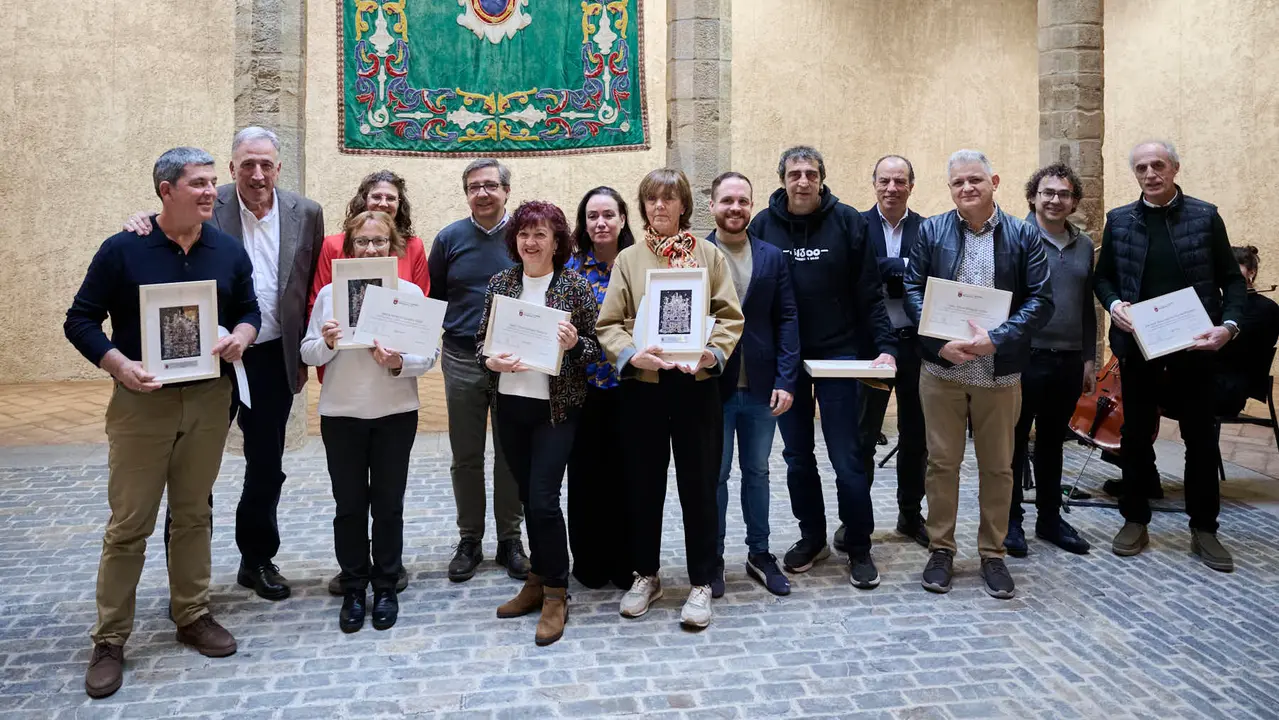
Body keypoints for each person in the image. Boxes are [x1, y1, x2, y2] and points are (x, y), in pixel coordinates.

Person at [66, 147, 261, 698]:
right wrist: (117, 363)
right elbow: (79, 319)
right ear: (165, 189)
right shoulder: (123, 250)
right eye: (198, 183)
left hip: (207, 401)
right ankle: (109, 639)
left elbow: (250, 310)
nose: (210, 193)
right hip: (141, 404)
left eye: (212, 184)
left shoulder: (227, 250)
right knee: (130, 524)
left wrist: (241, 337)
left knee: (195, 513)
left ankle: (192, 614)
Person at [125, 126, 325, 601]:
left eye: (266, 165)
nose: (257, 174)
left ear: (279, 167)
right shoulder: (207, 204)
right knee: (195, 467)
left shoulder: (307, 213)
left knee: (266, 465)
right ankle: (188, 574)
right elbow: (165, 223)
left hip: (273, 357)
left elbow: (309, 282)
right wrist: (140, 221)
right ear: (232, 168)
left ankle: (257, 561)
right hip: (209, 361)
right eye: (247, 165)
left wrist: (300, 353)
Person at [597, 168, 744, 629]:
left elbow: (729, 315)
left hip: (697, 388)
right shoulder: (629, 259)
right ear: (642, 208)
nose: (659, 207)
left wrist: (711, 353)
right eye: (651, 200)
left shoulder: (708, 256)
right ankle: (646, 574)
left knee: (699, 485)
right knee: (643, 485)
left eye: (668, 199)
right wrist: (633, 354)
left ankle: (701, 580)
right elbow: (609, 324)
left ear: (684, 206)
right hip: (644, 388)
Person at [904, 149, 1053, 600]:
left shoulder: (1024, 235)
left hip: (999, 370)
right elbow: (911, 289)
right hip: (942, 368)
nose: (967, 188)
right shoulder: (931, 230)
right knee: (942, 463)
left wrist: (999, 338)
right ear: (949, 189)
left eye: (975, 180)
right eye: (958, 183)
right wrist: (936, 342)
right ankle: (941, 549)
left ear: (995, 182)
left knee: (999, 466)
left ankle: (993, 553)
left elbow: (1042, 300)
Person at [747, 146, 897, 589]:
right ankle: (812, 536)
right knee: (797, 457)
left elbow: (870, 293)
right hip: (785, 361)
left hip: (840, 355)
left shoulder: (849, 221)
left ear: (822, 178)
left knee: (847, 457)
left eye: (811, 173)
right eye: (794, 173)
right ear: (783, 180)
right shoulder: (763, 226)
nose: (803, 181)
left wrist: (885, 346)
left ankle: (859, 543)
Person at [1094, 140, 1247, 572]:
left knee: (1200, 439)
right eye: (1141, 167)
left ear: (1175, 168)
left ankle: (1204, 529)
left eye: (1158, 165)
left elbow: (1233, 282)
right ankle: (1135, 519)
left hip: (1195, 349)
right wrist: (1114, 305)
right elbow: (1102, 279)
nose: (1150, 173)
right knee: (1136, 437)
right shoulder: (1120, 220)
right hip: (1138, 347)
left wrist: (1228, 327)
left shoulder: (1204, 216)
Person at [301, 211, 436, 633]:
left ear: (393, 248)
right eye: (363, 242)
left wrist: (398, 362)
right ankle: (355, 586)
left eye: (379, 242)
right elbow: (307, 353)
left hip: (395, 414)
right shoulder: (329, 295)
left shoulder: (409, 291)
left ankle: (387, 585)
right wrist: (325, 342)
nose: (371, 249)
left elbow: (428, 357)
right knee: (350, 506)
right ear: (350, 247)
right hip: (342, 414)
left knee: (389, 506)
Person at [477, 201, 600, 646]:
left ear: (556, 241)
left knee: (544, 500)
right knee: (529, 499)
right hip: (510, 408)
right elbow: (479, 344)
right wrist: (490, 358)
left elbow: (596, 348)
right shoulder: (501, 284)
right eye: (524, 234)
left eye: (541, 234)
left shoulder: (574, 286)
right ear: (515, 240)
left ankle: (555, 593)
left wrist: (574, 344)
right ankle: (536, 578)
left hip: (556, 411)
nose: (531, 242)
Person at [428, 158, 529, 582]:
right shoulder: (449, 238)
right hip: (463, 358)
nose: (483, 193)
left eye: (490, 185)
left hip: (514, 361)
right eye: (474, 186)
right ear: (466, 193)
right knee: (466, 455)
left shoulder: (525, 236)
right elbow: (434, 298)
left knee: (510, 454)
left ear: (506, 191)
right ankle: (470, 538)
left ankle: (510, 539)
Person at [706, 171, 799, 598]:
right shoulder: (697, 254)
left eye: (743, 201)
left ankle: (759, 553)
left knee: (758, 472)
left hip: (762, 388)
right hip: (713, 387)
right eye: (727, 201)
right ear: (712, 205)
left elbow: (787, 319)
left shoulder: (772, 256)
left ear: (751, 206)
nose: (736, 208)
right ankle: (714, 558)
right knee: (717, 475)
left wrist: (786, 379)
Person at [1005, 163, 1098, 558]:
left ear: (1074, 201)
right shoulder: (1014, 239)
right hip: (1024, 357)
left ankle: (1049, 518)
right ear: (1033, 196)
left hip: (1068, 359)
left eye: (1063, 194)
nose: (1055, 200)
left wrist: (1090, 358)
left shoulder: (1084, 246)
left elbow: (1088, 308)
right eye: (1048, 192)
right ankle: (1009, 521)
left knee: (1051, 444)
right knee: (1011, 442)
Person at [855, 155, 930, 550]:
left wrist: (888, 267)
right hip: (872, 347)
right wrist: (900, 267)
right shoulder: (857, 225)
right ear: (874, 183)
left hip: (916, 344)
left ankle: (910, 514)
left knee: (916, 434)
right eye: (884, 180)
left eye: (900, 181)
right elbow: (859, 273)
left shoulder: (928, 228)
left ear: (911, 186)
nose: (892, 188)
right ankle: (858, 520)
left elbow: (931, 275)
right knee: (864, 435)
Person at [564, 186, 637, 591]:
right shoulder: (572, 270)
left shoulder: (639, 265)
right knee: (587, 478)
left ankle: (627, 561)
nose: (601, 223)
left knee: (628, 477)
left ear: (623, 218)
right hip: (585, 388)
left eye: (608, 214)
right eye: (593, 216)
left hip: (631, 387)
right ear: (584, 223)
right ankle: (590, 561)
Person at [1213, 246, 1279, 417]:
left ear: (1251, 272)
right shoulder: (1219, 304)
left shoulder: (1266, 309)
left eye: (1236, 268)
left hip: (1230, 387)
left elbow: (1233, 348)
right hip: (1207, 379)